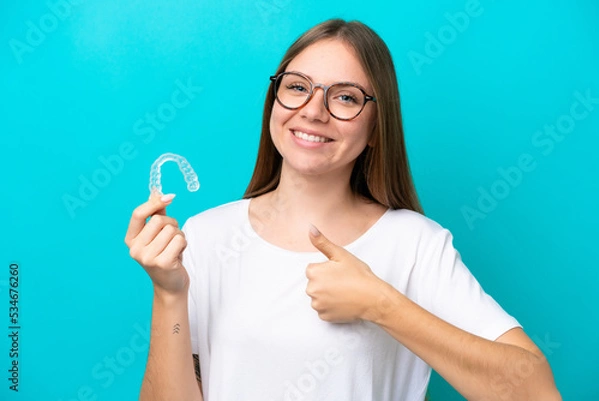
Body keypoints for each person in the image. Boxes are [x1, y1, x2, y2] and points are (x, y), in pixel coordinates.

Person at [125, 19, 561, 401]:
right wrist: (169, 293)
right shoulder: (207, 237)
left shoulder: (415, 245)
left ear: (376, 128)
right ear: (273, 102)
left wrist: (381, 305)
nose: (313, 111)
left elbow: (537, 391)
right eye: (297, 87)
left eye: (346, 98)